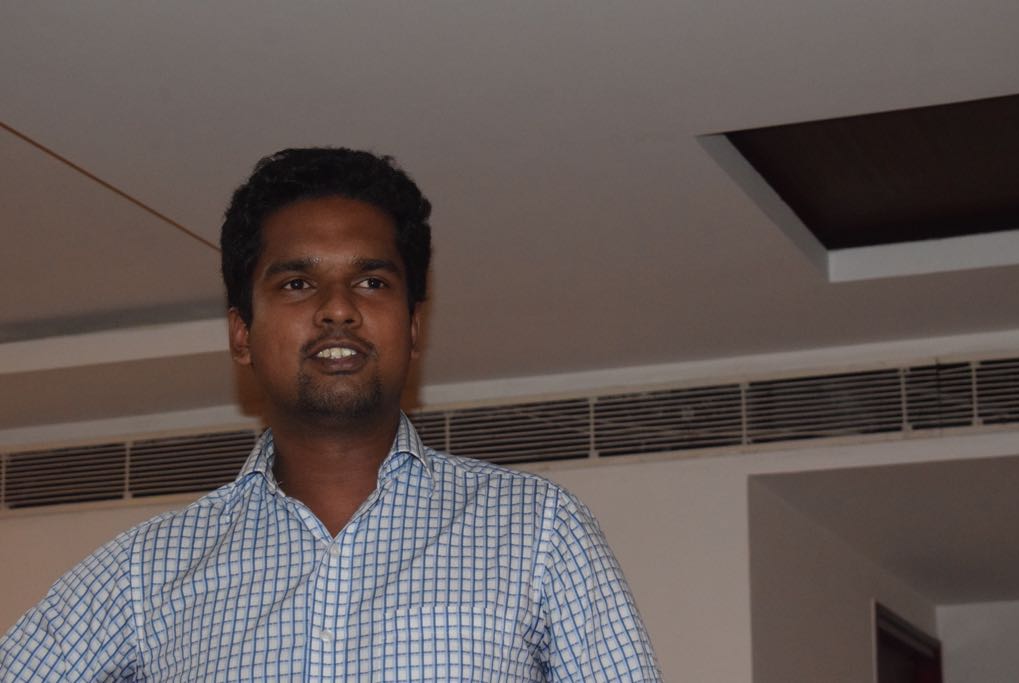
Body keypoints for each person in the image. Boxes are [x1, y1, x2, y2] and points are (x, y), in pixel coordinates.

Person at [0, 147, 662, 681]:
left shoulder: (539, 530)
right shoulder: (147, 571)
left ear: (413, 326)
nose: (338, 308)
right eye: (297, 283)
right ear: (241, 333)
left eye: (372, 282)